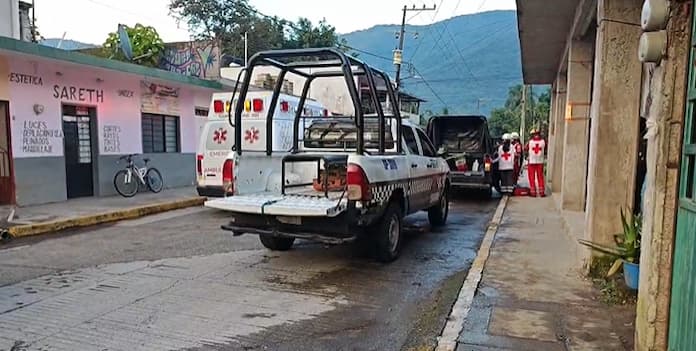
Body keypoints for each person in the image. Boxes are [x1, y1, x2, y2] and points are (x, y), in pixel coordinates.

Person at [525, 129, 547, 197]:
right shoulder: (543, 141)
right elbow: (546, 149)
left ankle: (533, 193)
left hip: (531, 161)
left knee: (531, 177)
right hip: (540, 161)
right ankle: (541, 192)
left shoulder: (530, 142)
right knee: (540, 177)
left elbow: (525, 148)